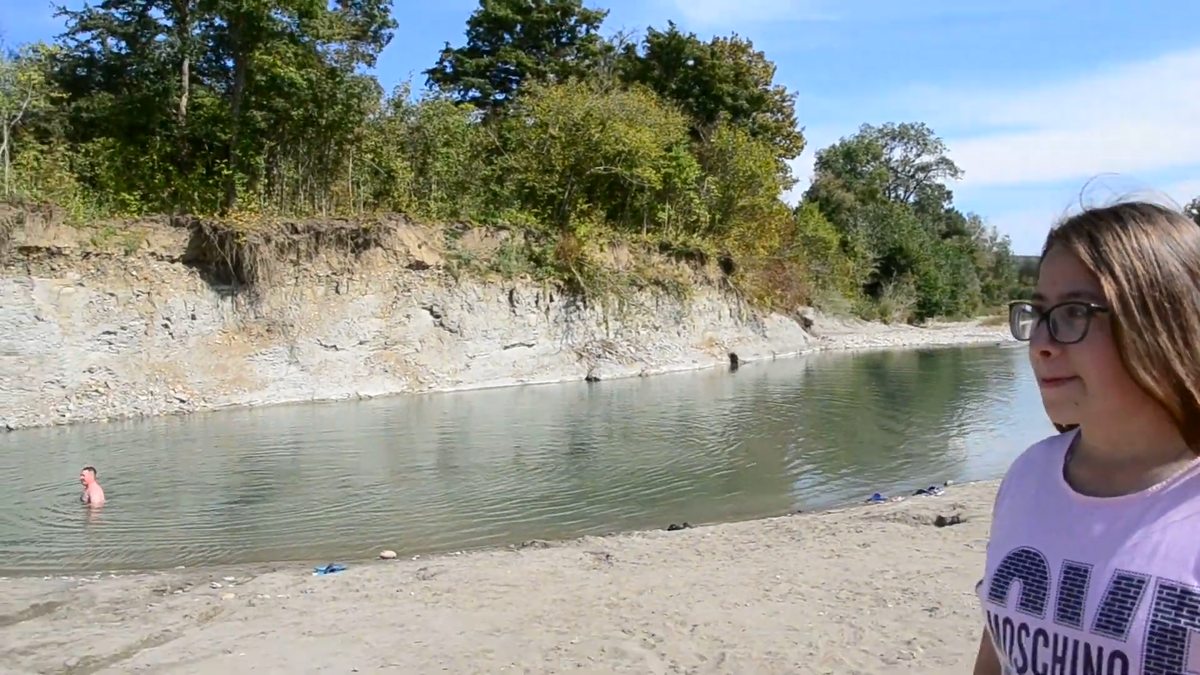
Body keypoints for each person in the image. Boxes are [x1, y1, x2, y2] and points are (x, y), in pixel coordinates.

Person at [973, 201, 1200, 675]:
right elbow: (998, 652)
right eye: (1038, 313)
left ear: (1163, 324)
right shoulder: (1028, 476)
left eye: (1074, 312)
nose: (1041, 343)